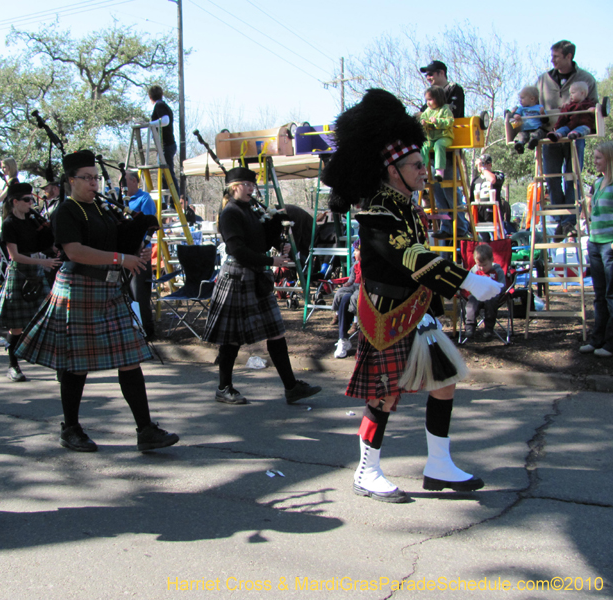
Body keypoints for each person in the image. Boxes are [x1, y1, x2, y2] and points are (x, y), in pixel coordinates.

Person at [322, 89, 503, 503]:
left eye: (423, 164)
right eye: (416, 165)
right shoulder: (377, 212)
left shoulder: (404, 206)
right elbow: (411, 256)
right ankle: (367, 472)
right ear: (392, 170)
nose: (425, 171)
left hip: (418, 311)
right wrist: (470, 281)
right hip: (386, 315)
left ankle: (438, 464)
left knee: (444, 382)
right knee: (384, 395)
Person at [15, 150, 179, 453]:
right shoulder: (66, 211)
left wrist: (136, 253)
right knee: (76, 365)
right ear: (71, 180)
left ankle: (145, 430)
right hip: (78, 288)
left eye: (96, 178)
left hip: (108, 290)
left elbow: (118, 242)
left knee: (130, 359)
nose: (94, 183)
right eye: (87, 178)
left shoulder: (103, 210)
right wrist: (121, 258)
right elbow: (75, 251)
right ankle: (71, 428)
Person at [202, 167, 321, 406]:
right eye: (246, 184)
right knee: (232, 338)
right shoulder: (230, 213)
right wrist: (271, 260)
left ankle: (291, 387)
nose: (251, 188)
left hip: (257, 276)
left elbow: (261, 240)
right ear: (234, 186)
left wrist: (278, 243)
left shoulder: (252, 210)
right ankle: (224, 387)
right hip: (237, 277)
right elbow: (236, 249)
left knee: (276, 331)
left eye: (252, 184)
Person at [0, 182, 60, 382]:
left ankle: (57, 365)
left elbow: (45, 244)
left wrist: (52, 244)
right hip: (20, 274)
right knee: (17, 327)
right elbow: (15, 256)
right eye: (27, 200)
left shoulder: (32, 220)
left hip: (36, 272)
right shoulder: (9, 224)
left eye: (32, 199)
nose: (31, 203)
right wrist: (42, 261)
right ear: (15, 202)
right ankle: (13, 365)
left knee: (48, 320)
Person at [537, 40, 598, 235]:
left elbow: (595, 108)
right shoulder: (544, 79)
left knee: (572, 177)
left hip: (574, 135)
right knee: (551, 177)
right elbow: (534, 104)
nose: (552, 60)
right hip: (551, 136)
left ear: (569, 57)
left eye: (556, 56)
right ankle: (559, 218)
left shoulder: (585, 78)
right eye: (552, 56)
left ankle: (570, 221)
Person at [419, 61, 468, 239]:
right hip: (432, 149)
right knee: (437, 190)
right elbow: (422, 112)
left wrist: (431, 119)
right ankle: (447, 226)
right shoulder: (430, 97)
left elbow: (454, 114)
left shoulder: (454, 90)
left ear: (441, 73)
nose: (428, 78)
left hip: (448, 146)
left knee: (450, 189)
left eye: (431, 74)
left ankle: (461, 226)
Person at [579, 142, 613, 358]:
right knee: (599, 294)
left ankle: (610, 343)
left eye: (599, 158)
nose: (594, 161)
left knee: (611, 294)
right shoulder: (598, 182)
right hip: (595, 242)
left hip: (609, 244)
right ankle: (596, 339)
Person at [126, 170, 156, 339]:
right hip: (124, 254)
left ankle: (147, 332)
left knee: (139, 294)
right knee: (127, 294)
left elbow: (150, 225)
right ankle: (130, 330)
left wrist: (142, 246)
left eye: (125, 181)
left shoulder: (144, 199)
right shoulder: (120, 200)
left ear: (134, 181)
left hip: (140, 254)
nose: (122, 185)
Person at [464, 243, 506, 341]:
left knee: (491, 302)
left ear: (492, 260)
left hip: (492, 295)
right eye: (479, 265)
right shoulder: (474, 271)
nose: (482, 268)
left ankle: (488, 329)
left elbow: (502, 286)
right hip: (477, 295)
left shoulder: (497, 271)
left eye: (485, 265)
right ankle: (470, 327)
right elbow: (468, 284)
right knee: (471, 303)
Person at [333, 242, 361, 359]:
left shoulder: (370, 265)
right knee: (343, 297)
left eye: (356, 251)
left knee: (354, 298)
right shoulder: (356, 265)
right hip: (355, 286)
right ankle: (343, 339)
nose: (354, 253)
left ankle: (346, 334)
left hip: (365, 288)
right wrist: (349, 282)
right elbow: (352, 279)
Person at [419, 86, 454, 182]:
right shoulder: (427, 111)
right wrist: (423, 123)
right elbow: (422, 120)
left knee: (439, 145)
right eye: (426, 100)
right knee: (424, 146)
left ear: (438, 98)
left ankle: (439, 171)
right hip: (431, 138)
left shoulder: (445, 109)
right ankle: (423, 171)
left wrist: (437, 121)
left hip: (444, 137)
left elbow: (449, 122)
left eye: (430, 99)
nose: (428, 102)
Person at [148, 85, 177, 191]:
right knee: (165, 176)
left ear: (150, 97)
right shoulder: (163, 105)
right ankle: (166, 202)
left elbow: (165, 121)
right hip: (166, 145)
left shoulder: (159, 105)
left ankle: (175, 201)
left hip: (166, 145)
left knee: (168, 174)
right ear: (162, 94)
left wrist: (150, 124)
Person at [509, 86, 546, 153]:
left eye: (522, 98)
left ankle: (533, 142)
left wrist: (542, 113)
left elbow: (545, 121)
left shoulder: (539, 108)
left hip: (537, 128)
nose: (520, 100)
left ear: (532, 99)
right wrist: (515, 115)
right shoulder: (521, 108)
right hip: (525, 130)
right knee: (521, 135)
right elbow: (515, 115)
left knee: (539, 133)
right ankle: (520, 145)